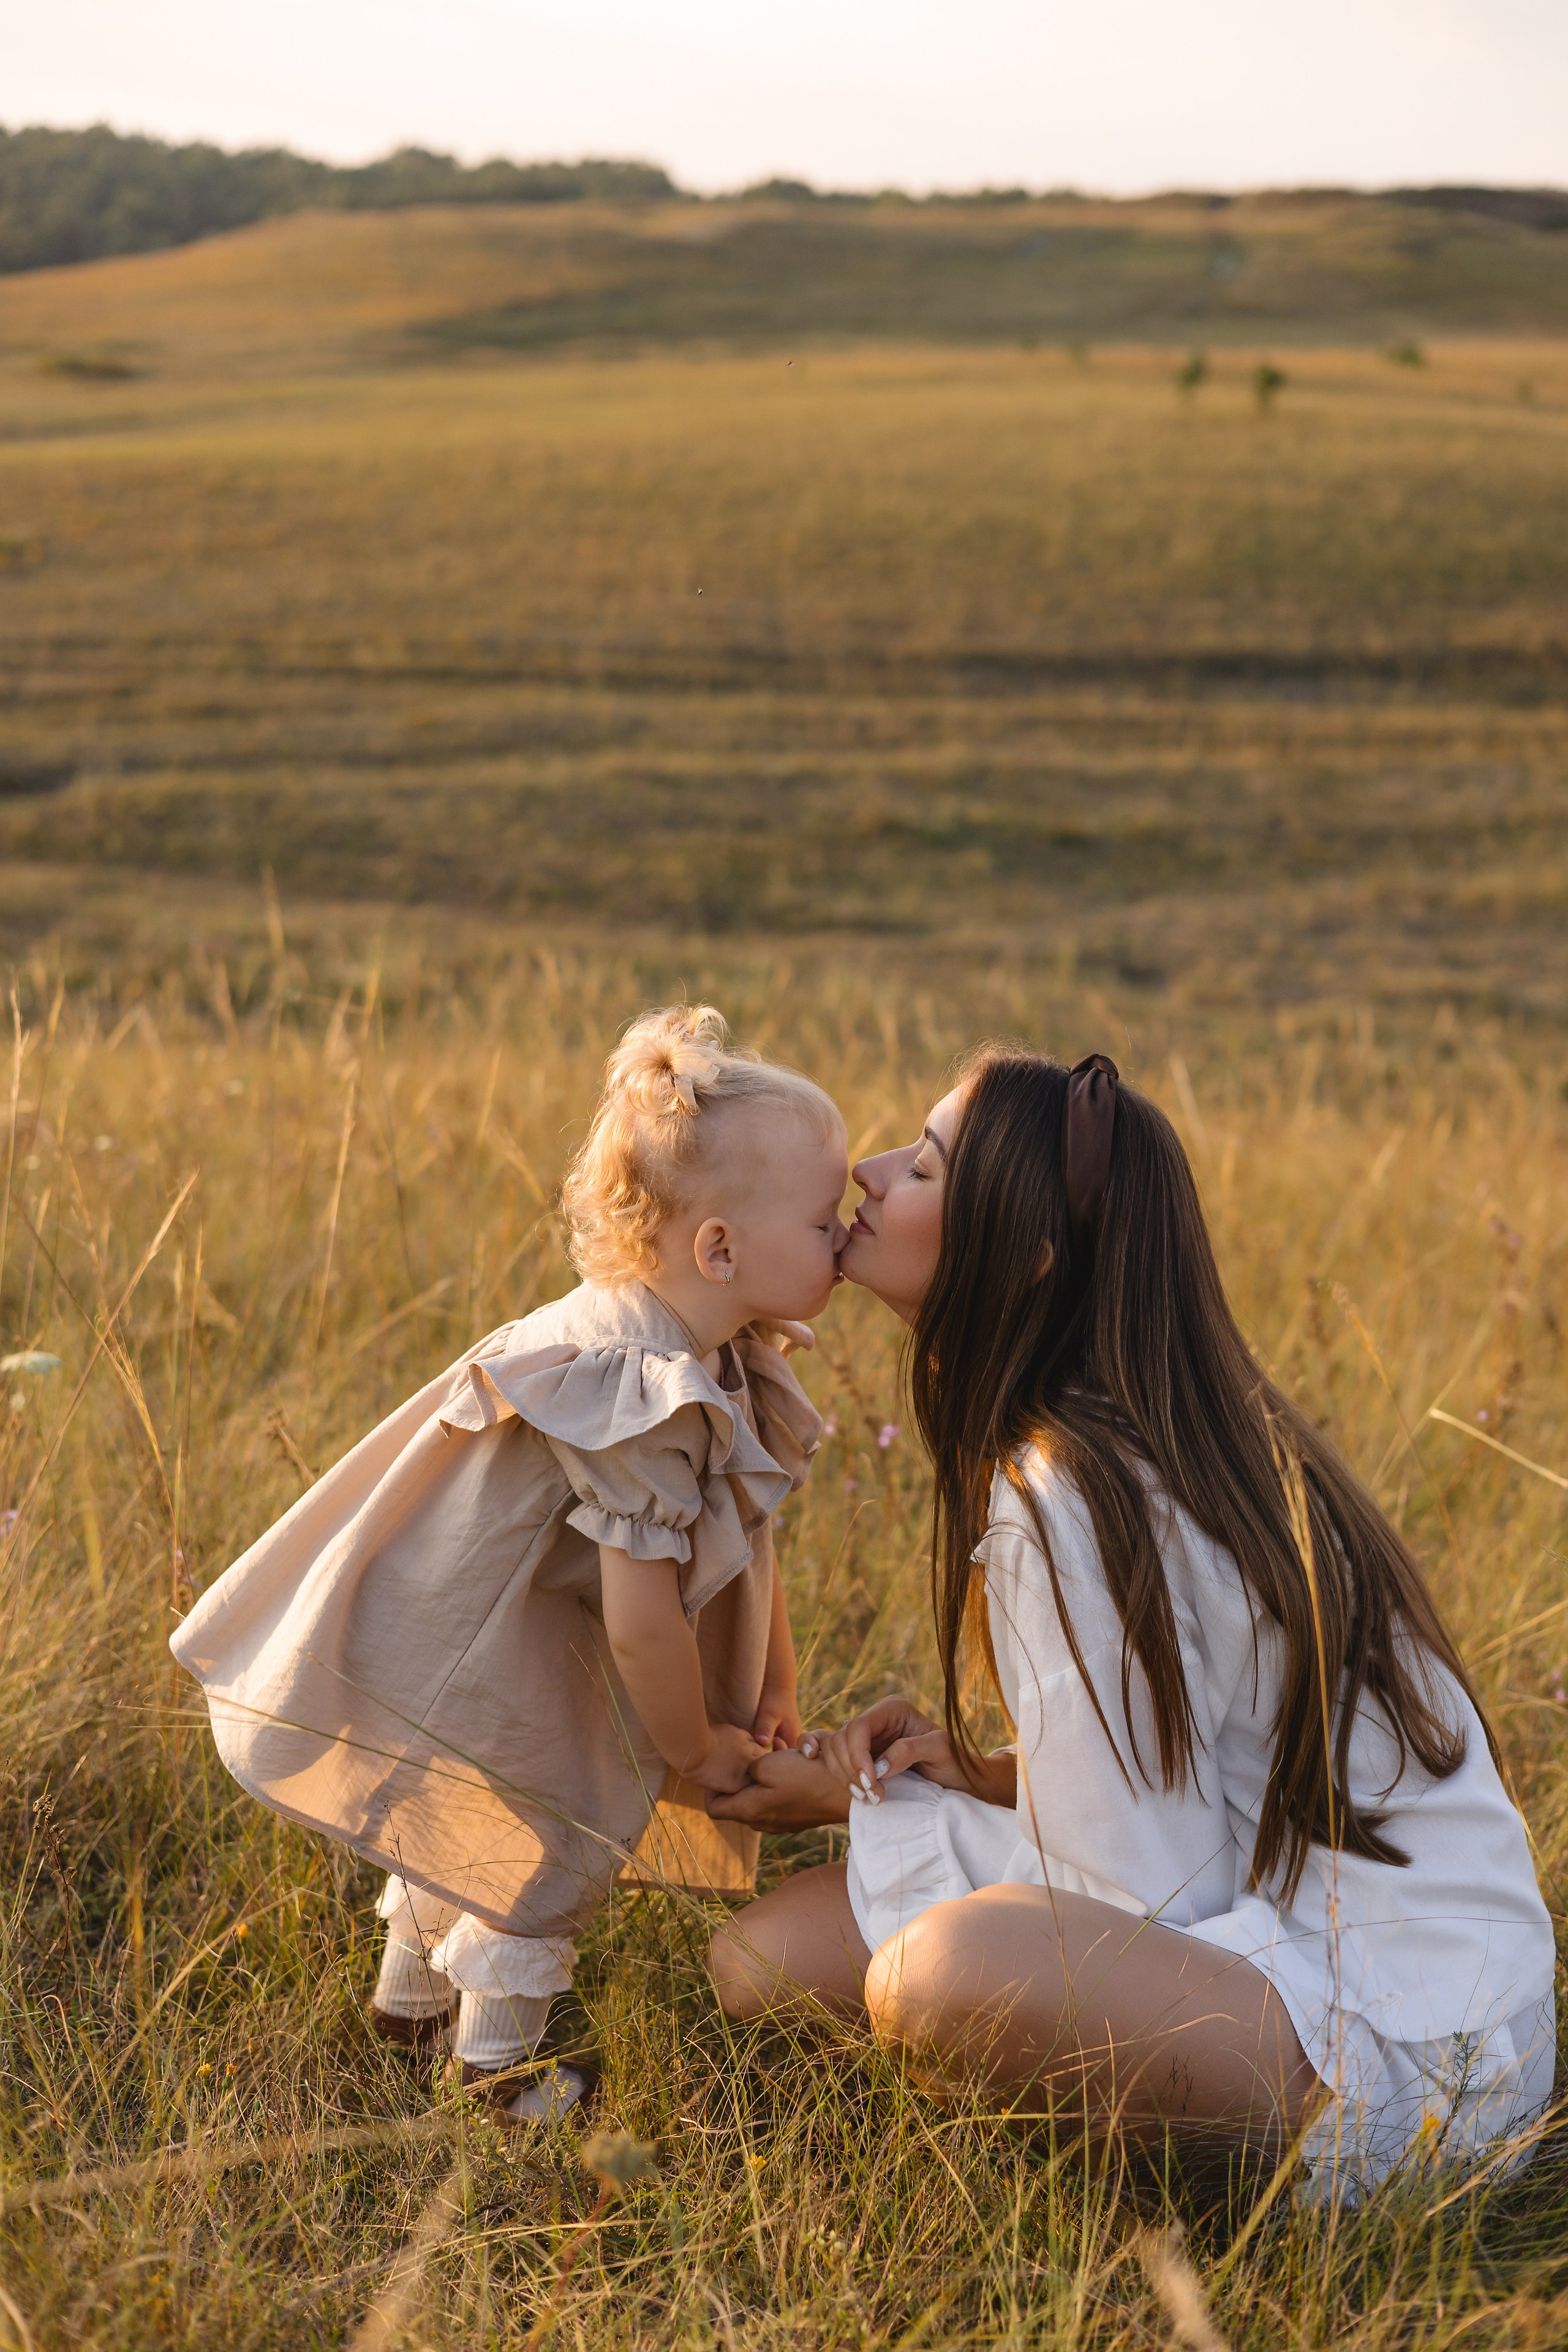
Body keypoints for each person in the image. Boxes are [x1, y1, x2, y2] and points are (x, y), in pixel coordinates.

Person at [710, 1050, 1556, 2199]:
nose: (868, 1171)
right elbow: (1201, 1785)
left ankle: (1197, 2195)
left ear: (1021, 1261)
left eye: (924, 1164)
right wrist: (987, 1778)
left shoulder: (1073, 1497)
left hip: (1402, 2030)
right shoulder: (1126, 1438)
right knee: (761, 1961)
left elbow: (1149, 1900)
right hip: (1293, 1917)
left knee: (932, 1977)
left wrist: (893, 1812)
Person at [173, 1005, 847, 2124]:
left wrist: (770, 1690)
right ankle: (495, 2078)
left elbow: (748, 1537)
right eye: (825, 1221)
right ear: (720, 1248)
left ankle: (408, 2008)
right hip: (514, 1635)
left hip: (518, 1624)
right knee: (555, 1823)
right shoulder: (647, 1396)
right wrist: (696, 1747)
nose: (845, 1235)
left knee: (482, 1805)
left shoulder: (707, 1342)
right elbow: (641, 1622)